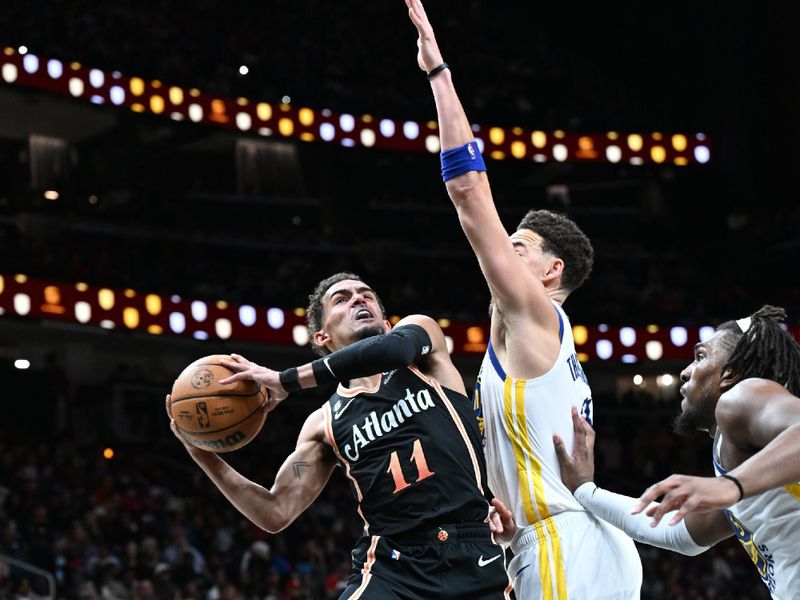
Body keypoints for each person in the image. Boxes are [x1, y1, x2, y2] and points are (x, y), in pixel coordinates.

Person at [404, 0, 642, 597]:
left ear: (550, 271)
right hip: (568, 542)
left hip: (565, 545)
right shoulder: (535, 341)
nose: (506, 253)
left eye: (521, 247)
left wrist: (439, 73)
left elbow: (466, 189)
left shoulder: (535, 315)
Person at [166, 272, 513, 600]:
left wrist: (286, 379)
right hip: (393, 563)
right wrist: (202, 454)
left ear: (387, 322)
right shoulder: (324, 423)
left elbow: (391, 352)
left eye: (367, 296)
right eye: (342, 299)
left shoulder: (420, 346)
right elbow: (276, 511)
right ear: (322, 337)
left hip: (474, 548)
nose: (358, 300)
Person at [554, 305, 800, 600]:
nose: (685, 372)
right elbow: (678, 533)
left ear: (731, 373)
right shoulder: (753, 462)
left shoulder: (742, 397)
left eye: (700, 357)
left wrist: (729, 486)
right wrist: (584, 491)